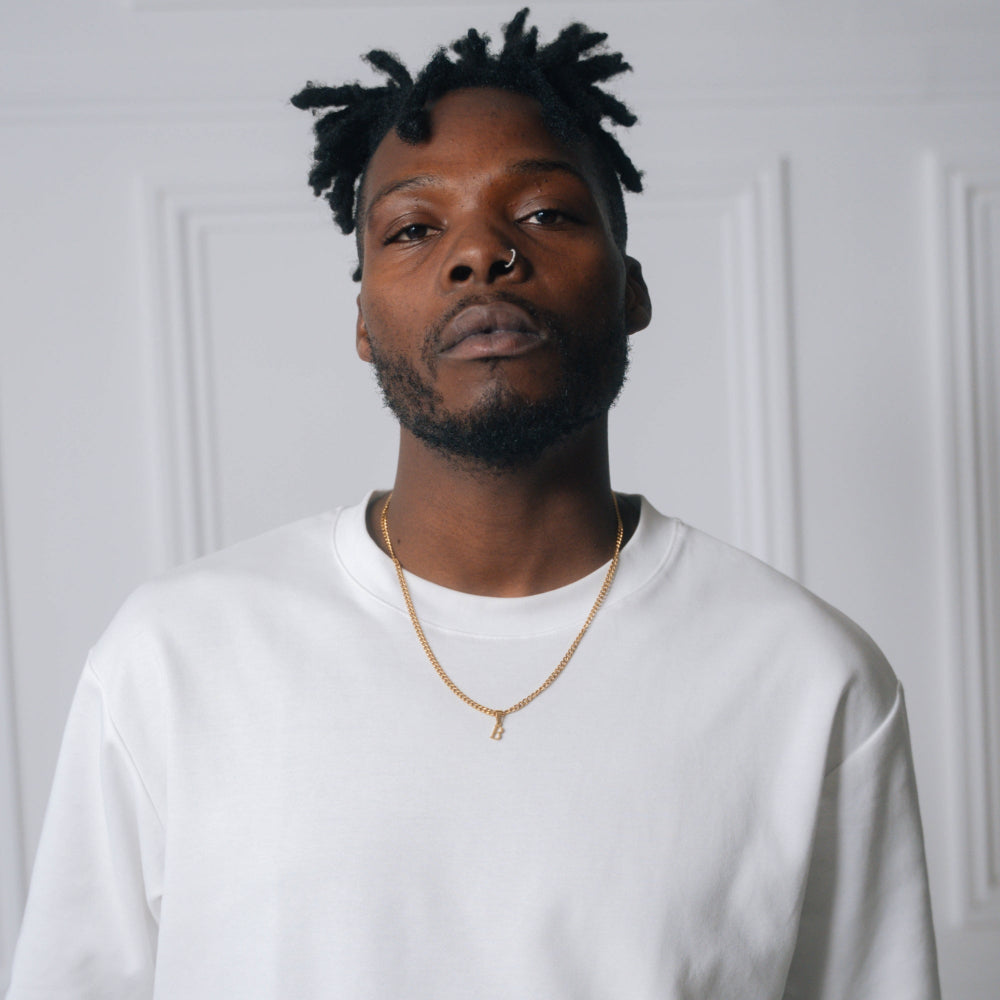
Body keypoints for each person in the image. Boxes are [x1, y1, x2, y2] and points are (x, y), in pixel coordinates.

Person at [6, 9, 940, 999]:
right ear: (363, 322)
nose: (480, 253)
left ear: (630, 290)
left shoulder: (808, 678)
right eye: (414, 229)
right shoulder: (173, 657)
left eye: (544, 213)